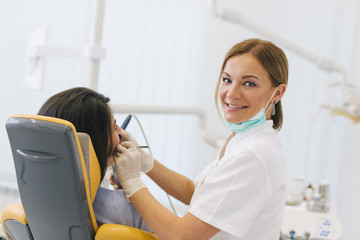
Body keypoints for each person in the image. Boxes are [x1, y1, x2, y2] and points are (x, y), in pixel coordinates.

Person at [114, 38, 288, 239]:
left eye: (249, 83)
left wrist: (132, 181)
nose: (231, 93)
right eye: (227, 80)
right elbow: (193, 192)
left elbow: (182, 236)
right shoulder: (242, 140)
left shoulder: (253, 154)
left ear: (278, 93)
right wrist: (144, 160)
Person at [37, 87, 151, 232]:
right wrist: (132, 187)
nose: (121, 133)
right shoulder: (127, 209)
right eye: (114, 127)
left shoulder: (38, 203)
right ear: (98, 143)